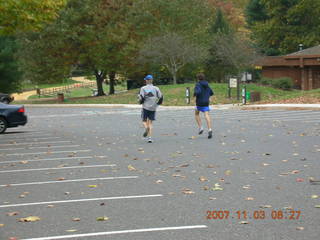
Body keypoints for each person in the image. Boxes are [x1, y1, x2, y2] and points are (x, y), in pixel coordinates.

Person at [138, 74, 163, 143]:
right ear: (152, 80)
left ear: (146, 80)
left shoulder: (143, 88)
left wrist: (140, 102)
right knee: (151, 123)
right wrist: (158, 104)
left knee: (144, 120)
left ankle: (146, 128)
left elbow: (141, 98)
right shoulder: (156, 88)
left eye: (145, 80)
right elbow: (161, 97)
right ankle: (150, 138)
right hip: (153, 107)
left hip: (145, 107)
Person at [194, 73, 214, 139]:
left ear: (198, 78)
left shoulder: (198, 84)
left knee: (196, 114)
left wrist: (195, 94)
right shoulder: (207, 85)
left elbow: (198, 92)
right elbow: (211, 92)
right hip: (206, 102)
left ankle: (201, 127)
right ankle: (210, 129)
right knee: (207, 115)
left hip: (199, 102)